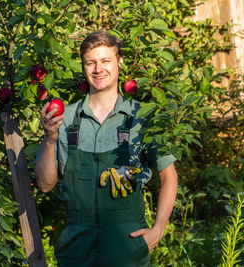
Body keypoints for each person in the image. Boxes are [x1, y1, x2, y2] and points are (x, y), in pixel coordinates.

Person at [34, 30, 178, 266]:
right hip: (76, 250)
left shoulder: (141, 116)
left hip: (126, 248)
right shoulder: (66, 118)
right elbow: (46, 184)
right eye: (90, 63)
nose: (98, 69)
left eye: (105, 61)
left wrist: (157, 230)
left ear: (119, 62)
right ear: (83, 67)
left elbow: (169, 177)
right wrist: (50, 139)